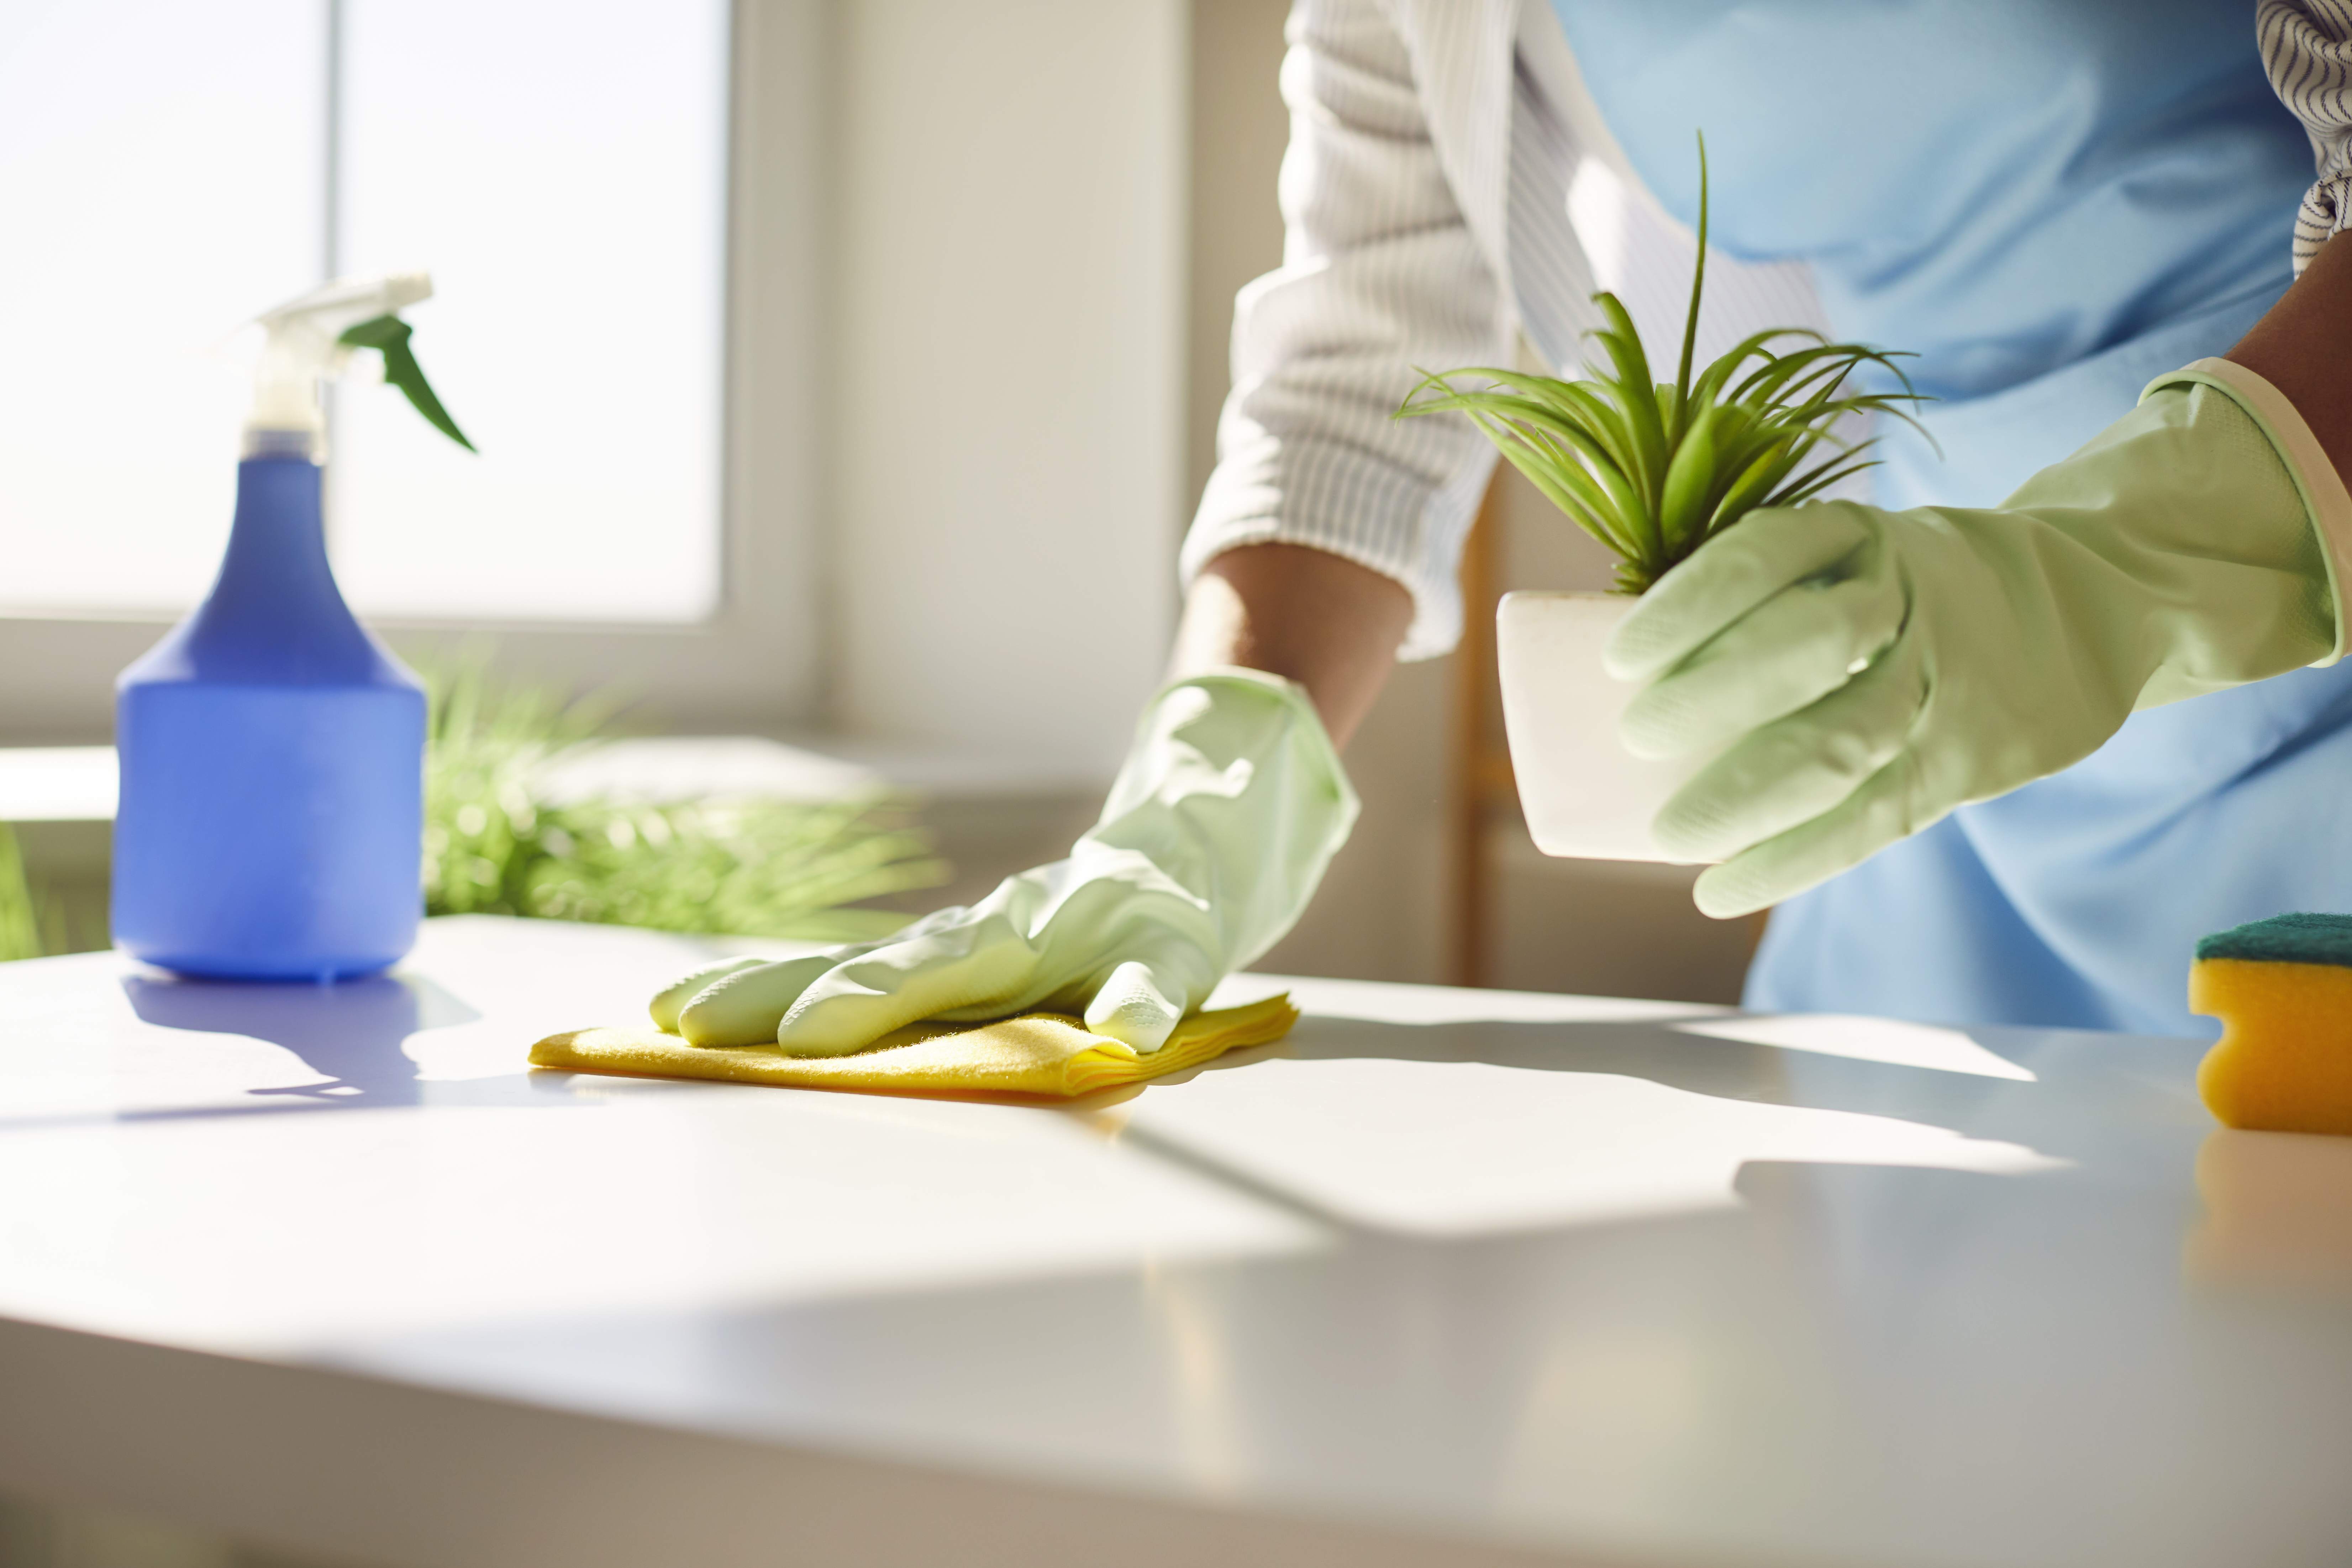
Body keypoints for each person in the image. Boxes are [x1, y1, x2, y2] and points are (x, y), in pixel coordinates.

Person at [656, 0, 2352, 1052]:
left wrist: (2108, 580)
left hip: (2297, 664)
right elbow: (1367, 351)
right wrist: (1198, 788)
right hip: (1940, 781)